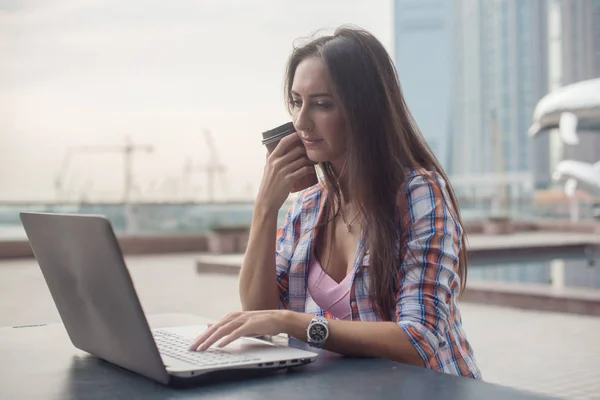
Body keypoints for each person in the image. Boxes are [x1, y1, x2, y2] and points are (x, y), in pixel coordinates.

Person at [189, 26, 481, 379]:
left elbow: (419, 341)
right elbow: (258, 315)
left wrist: (294, 322)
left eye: (322, 104)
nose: (301, 122)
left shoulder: (419, 195)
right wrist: (265, 209)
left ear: (364, 111)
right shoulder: (309, 207)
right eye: (297, 102)